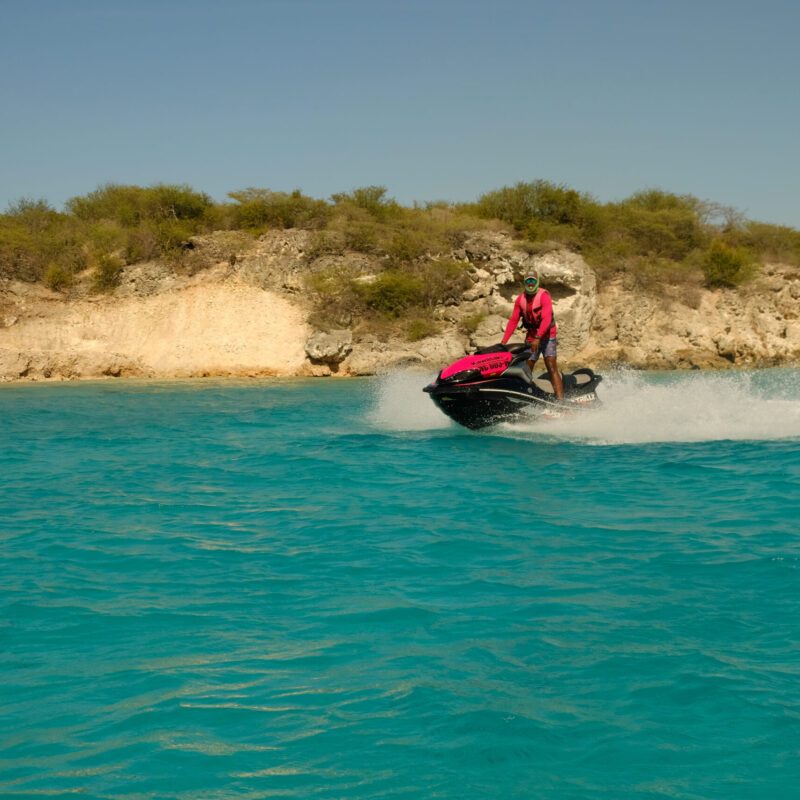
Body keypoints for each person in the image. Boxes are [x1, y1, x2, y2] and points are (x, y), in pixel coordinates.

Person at [500, 271, 564, 399]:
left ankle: (561, 401)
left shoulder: (544, 296)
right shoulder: (520, 299)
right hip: (532, 336)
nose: (530, 283)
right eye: (528, 281)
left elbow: (546, 319)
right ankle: (526, 398)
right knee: (526, 369)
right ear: (525, 283)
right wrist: (503, 342)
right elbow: (513, 320)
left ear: (537, 282)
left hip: (547, 336)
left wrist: (538, 337)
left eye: (533, 281)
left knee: (551, 366)